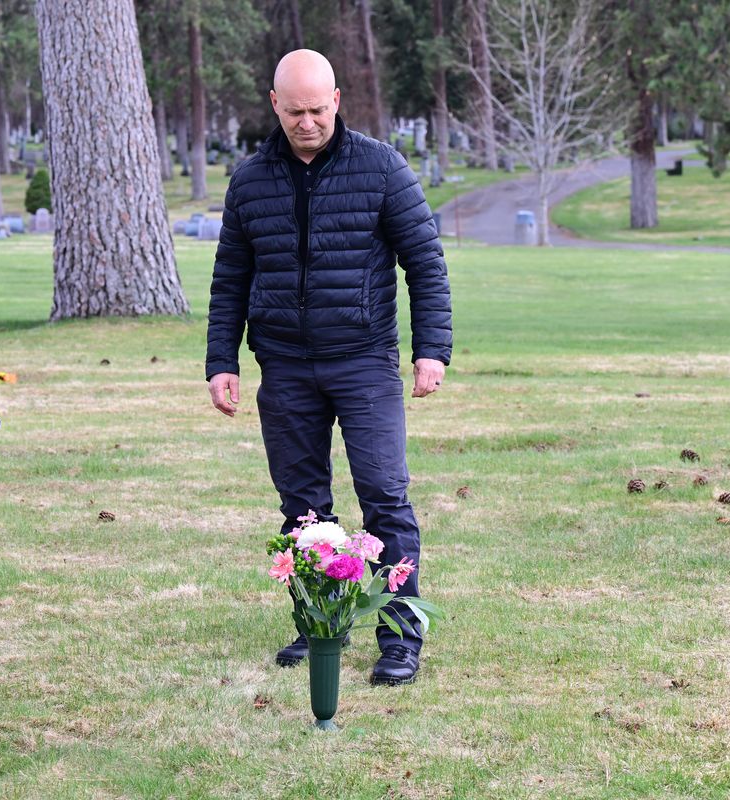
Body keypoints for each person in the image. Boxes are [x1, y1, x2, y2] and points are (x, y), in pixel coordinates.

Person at [205, 50, 451, 686]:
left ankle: (400, 636)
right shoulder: (251, 179)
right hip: (284, 365)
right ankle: (321, 622)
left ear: (337, 100)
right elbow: (231, 276)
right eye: (295, 111)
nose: (308, 122)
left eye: (318, 109)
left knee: (384, 497)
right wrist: (220, 360)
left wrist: (432, 351)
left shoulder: (381, 167)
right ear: (274, 105)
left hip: (364, 361)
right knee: (304, 510)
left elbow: (424, 263)